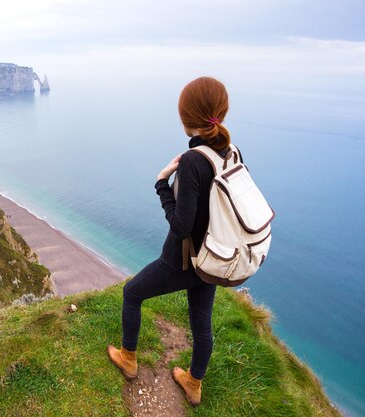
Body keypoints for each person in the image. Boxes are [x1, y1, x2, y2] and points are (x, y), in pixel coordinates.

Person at [107, 76, 241, 406]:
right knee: (202, 324)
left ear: (186, 119)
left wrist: (161, 183)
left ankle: (128, 358)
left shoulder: (195, 161)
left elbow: (181, 226)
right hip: (213, 256)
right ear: (220, 114)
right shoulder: (230, 152)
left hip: (182, 257)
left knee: (132, 292)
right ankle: (193, 384)